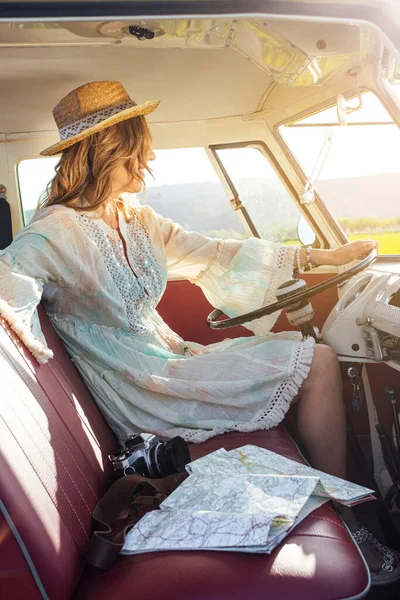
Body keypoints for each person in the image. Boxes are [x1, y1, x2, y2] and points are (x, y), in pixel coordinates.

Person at [0, 81, 398, 583]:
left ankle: (341, 505)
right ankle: (350, 516)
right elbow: (7, 279)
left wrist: (321, 257)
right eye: (134, 156)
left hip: (172, 361)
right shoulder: (54, 231)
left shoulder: (137, 218)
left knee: (311, 357)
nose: (146, 165)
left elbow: (213, 251)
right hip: (140, 388)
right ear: (103, 153)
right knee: (316, 360)